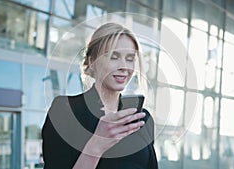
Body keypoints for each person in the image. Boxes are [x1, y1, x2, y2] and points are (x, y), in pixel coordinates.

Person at [42, 22, 158, 169]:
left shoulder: (142, 119)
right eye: (114, 57)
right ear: (92, 61)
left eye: (130, 58)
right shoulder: (65, 111)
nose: (124, 67)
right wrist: (96, 145)